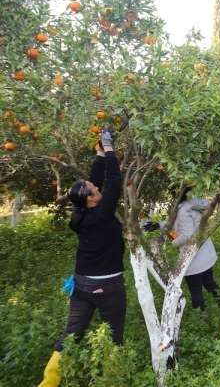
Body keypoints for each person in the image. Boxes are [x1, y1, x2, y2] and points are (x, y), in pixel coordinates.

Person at [39, 128, 125, 387]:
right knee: (114, 332)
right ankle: (111, 376)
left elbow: (96, 183)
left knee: (72, 332)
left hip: (82, 284)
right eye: (91, 189)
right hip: (106, 285)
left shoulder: (81, 215)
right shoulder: (101, 213)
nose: (94, 186)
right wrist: (109, 150)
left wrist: (98, 156)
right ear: (90, 200)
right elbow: (114, 183)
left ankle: (48, 382)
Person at [143, 188, 220, 320]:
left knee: (196, 291)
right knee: (209, 283)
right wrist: (159, 224)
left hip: (193, 258)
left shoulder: (182, 210)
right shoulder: (190, 204)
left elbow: (187, 235)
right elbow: (180, 224)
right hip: (205, 255)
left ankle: (202, 320)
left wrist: (173, 244)